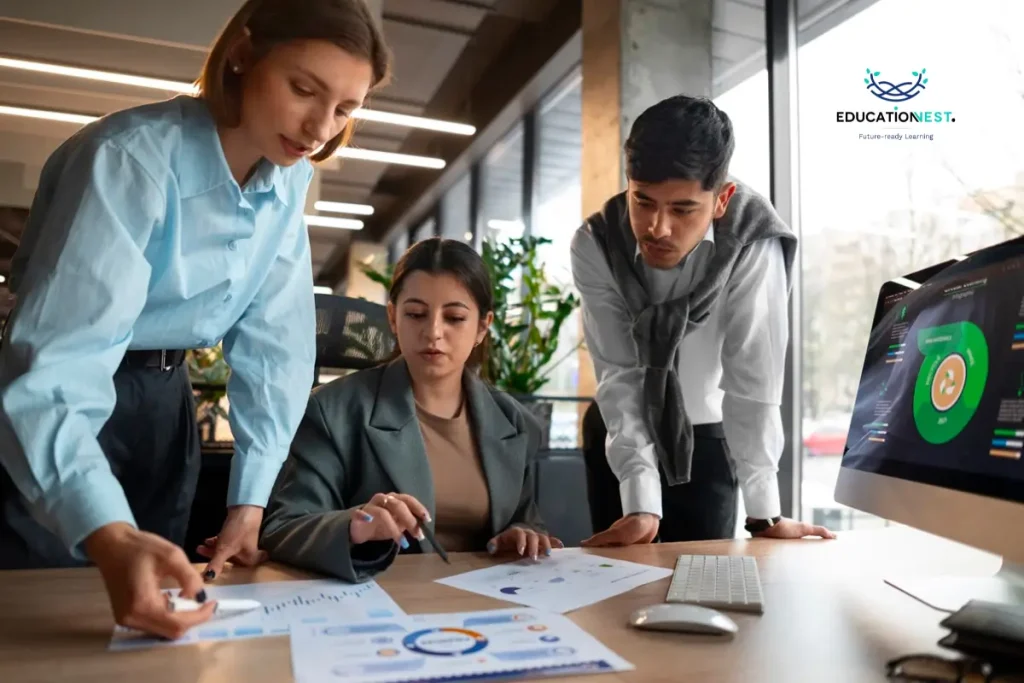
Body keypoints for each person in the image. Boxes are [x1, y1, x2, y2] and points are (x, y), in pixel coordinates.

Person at [0, 0, 390, 639]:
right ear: (241, 52)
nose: (322, 127)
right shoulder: (129, 159)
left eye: (346, 108)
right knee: (42, 619)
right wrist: (105, 531)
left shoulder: (287, 179)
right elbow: (57, 370)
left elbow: (276, 343)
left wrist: (250, 501)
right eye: (303, 89)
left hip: (165, 402)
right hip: (65, 406)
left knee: (153, 621)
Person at [571, 95, 836, 546]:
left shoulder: (753, 240)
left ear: (721, 200)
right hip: (617, 429)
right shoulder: (595, 243)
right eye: (643, 201)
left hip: (709, 438)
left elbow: (753, 378)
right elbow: (620, 372)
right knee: (616, 585)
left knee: (702, 584)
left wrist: (765, 514)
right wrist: (639, 498)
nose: (658, 228)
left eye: (682, 209)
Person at [260, 237, 561, 581]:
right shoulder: (333, 411)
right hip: (381, 604)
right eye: (416, 314)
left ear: (482, 326)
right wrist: (355, 527)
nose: (433, 332)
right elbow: (284, 526)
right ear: (392, 316)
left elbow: (526, 517)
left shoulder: (512, 420)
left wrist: (522, 533)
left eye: (455, 318)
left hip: (491, 604)